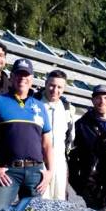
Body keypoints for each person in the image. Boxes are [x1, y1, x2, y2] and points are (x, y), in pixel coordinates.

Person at [0, 58, 53, 211]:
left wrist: (50, 172)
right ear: (11, 77)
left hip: (35, 172)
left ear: (31, 79)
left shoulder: (40, 106)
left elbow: (47, 144)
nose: (22, 78)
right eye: (18, 74)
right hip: (8, 172)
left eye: (26, 75)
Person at [68, 84, 106, 206]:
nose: (102, 101)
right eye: (98, 97)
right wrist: (79, 186)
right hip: (93, 188)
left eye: (105, 97)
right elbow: (72, 157)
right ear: (93, 100)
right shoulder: (81, 125)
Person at [39, 69, 74, 200]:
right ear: (46, 84)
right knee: (40, 201)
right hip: (39, 160)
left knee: (59, 201)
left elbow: (69, 136)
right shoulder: (35, 103)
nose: (55, 90)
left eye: (59, 87)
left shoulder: (66, 107)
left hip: (59, 160)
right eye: (52, 85)